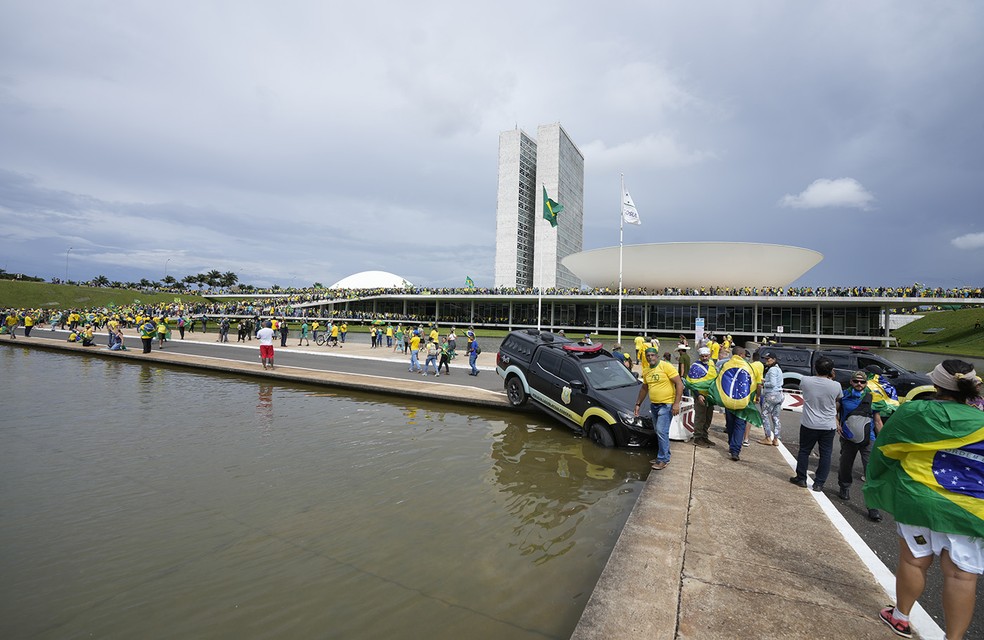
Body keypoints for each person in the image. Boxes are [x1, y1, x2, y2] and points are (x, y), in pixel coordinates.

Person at [865, 359, 983, 640]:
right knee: (962, 576)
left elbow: (886, 448)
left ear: (936, 384)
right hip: (971, 507)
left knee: (914, 561)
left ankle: (901, 617)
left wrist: (878, 480)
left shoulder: (916, 411)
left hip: (918, 498)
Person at [836, 370, 884, 522]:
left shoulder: (872, 398)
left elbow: (877, 421)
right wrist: (837, 424)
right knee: (845, 464)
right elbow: (834, 411)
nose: (859, 384)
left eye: (862, 382)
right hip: (849, 437)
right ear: (851, 381)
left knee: (870, 470)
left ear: (866, 383)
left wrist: (882, 439)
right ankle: (844, 486)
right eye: (856, 381)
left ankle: (873, 506)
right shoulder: (844, 396)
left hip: (868, 439)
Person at [789, 356, 841, 492]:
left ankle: (801, 478)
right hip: (828, 424)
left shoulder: (805, 381)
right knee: (825, 454)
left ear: (815, 368)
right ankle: (819, 483)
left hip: (809, 423)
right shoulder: (836, 385)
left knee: (804, 451)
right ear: (831, 370)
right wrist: (832, 377)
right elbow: (838, 398)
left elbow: (805, 388)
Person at [634, 347, 684, 470]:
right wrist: (638, 404)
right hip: (654, 405)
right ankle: (663, 455)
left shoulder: (666, 366)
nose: (650, 357)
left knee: (662, 431)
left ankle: (663, 459)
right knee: (659, 431)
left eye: (652, 355)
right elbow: (644, 388)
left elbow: (679, 384)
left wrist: (676, 403)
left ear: (657, 356)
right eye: (648, 356)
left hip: (667, 405)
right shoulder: (646, 370)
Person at [686, 347, 717, 447]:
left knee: (708, 417)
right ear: (699, 356)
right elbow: (691, 383)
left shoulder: (711, 364)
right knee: (700, 417)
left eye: (706, 356)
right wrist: (698, 395)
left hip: (710, 396)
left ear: (709, 356)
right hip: (700, 395)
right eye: (702, 356)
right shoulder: (695, 367)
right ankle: (698, 438)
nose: (704, 358)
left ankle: (704, 436)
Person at [757, 350, 784, 446]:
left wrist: (764, 382)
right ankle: (776, 438)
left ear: (774, 359)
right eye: (766, 359)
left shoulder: (772, 370)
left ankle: (768, 437)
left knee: (764, 415)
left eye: (768, 359)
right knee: (775, 417)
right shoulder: (779, 369)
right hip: (780, 394)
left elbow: (772, 383)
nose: (766, 361)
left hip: (771, 394)